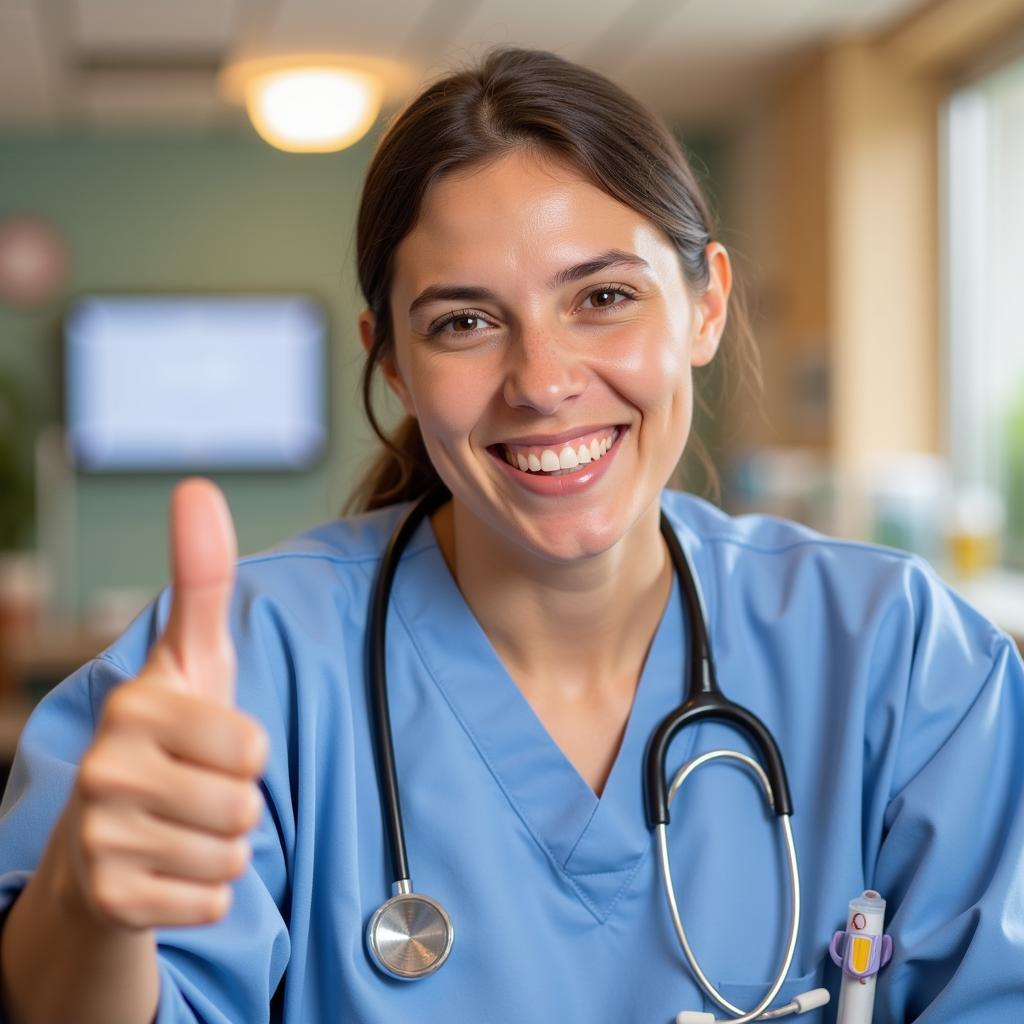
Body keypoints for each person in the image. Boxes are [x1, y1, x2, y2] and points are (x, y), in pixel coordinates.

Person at [1, 45, 1022, 1024]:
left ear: (705, 304)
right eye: (462, 321)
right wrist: (92, 908)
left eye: (604, 297)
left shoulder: (901, 660)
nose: (541, 380)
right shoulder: (247, 672)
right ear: (392, 360)